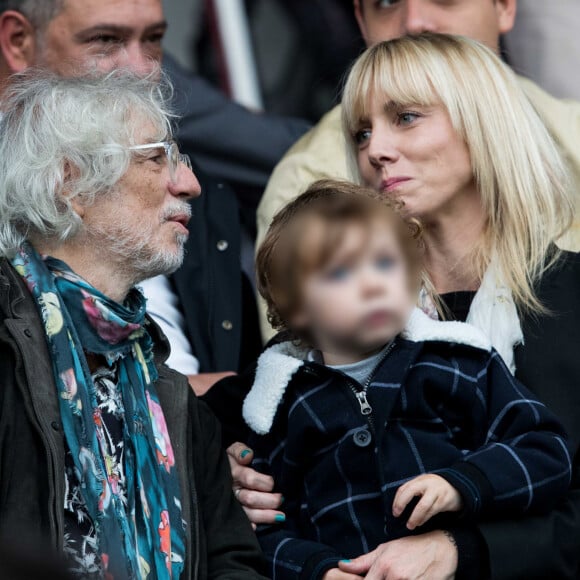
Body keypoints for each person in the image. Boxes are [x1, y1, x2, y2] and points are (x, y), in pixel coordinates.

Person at [210, 33, 580, 579]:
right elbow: (233, 415)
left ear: (484, 123)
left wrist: (459, 550)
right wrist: (229, 475)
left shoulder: (571, 296)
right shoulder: (338, 319)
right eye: (361, 132)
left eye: (406, 117)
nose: (375, 149)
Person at [223, 180, 571, 580]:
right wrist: (316, 570)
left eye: (386, 263)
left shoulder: (457, 361)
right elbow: (262, 527)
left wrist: (463, 485)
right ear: (295, 308)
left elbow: (545, 450)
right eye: (340, 272)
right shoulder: (281, 406)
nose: (373, 284)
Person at [0, 70, 266, 579]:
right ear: (70, 183)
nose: (188, 184)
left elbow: (233, 563)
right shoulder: (4, 347)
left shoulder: (166, 388)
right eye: (156, 156)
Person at [0, 0, 310, 391]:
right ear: (17, 40)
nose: (143, 68)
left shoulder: (197, 196)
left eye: (154, 39)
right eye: (105, 40)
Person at [256, 0, 580, 342]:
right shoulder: (303, 182)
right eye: (385, 3)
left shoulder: (570, 130)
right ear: (360, 21)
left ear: (504, 7)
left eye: (407, 117)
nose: (414, 21)